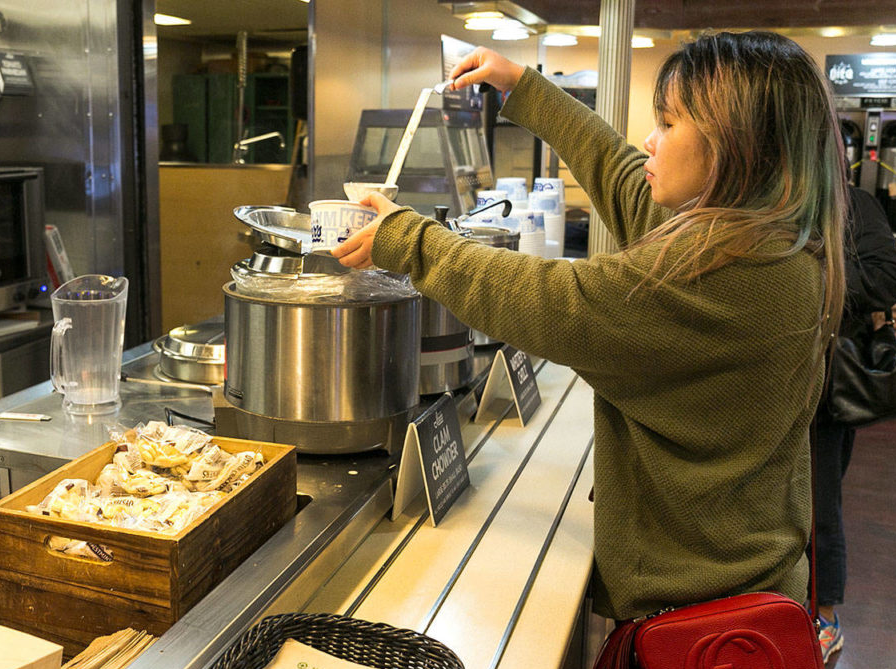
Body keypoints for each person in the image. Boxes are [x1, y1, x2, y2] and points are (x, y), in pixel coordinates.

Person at [332, 31, 847, 622]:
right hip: (736, 587)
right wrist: (521, 85)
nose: (649, 141)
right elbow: (624, 175)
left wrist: (410, 239)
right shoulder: (772, 244)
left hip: (703, 620)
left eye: (669, 123)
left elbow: (558, 303)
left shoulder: (734, 275)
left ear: (736, 148)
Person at [813, 185, 896, 662]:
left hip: (829, 384)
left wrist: (813, 271)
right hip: (772, 375)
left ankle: (825, 617)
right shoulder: (757, 196)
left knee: (819, 502)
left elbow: (889, 279)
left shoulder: (850, 203)